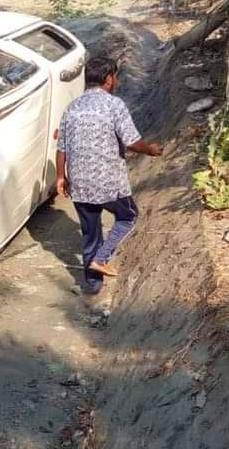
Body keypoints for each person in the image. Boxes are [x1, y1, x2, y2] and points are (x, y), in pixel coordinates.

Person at [56, 55, 163, 295]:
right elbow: (132, 141)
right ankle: (102, 259)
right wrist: (152, 150)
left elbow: (62, 146)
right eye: (115, 76)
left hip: (79, 182)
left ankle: (93, 286)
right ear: (108, 79)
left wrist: (61, 177)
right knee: (128, 216)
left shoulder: (72, 108)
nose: (116, 81)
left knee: (90, 232)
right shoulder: (114, 105)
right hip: (107, 182)